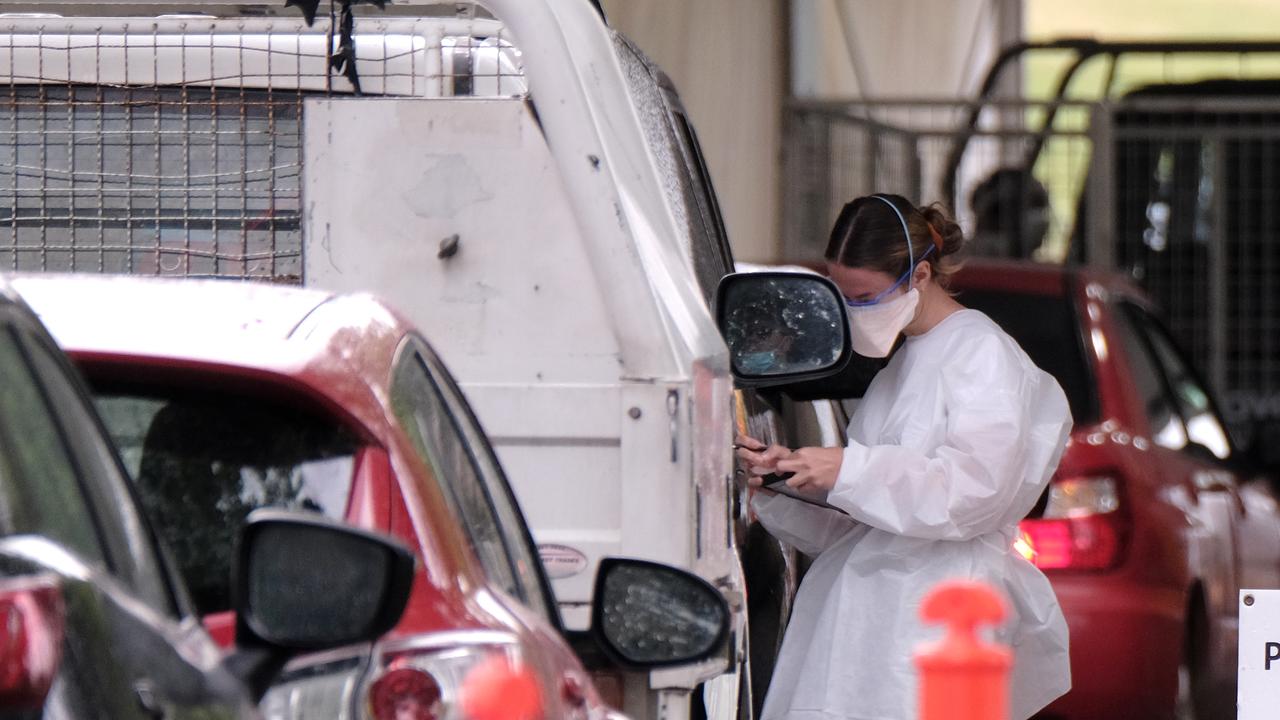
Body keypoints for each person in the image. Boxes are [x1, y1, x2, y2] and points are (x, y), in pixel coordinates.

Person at [736, 193, 1072, 720]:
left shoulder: (981, 356)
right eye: (841, 294)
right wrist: (786, 481)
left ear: (919, 276)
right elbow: (868, 524)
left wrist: (848, 468)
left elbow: (975, 492)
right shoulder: (903, 366)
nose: (852, 309)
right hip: (865, 633)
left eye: (864, 295)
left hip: (937, 624)